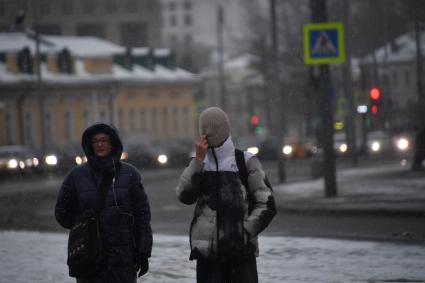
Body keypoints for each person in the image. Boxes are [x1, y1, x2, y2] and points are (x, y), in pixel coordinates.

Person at [176, 107, 276, 283]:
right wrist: (197, 162)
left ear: (223, 130)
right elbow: (184, 196)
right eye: (204, 129)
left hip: (241, 255)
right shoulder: (199, 163)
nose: (207, 133)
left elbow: (266, 204)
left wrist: (243, 232)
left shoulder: (244, 161)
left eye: (213, 128)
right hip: (208, 257)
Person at [55, 123, 152, 283]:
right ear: (89, 145)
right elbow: (62, 213)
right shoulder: (76, 176)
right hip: (89, 257)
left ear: (113, 143)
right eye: (95, 141)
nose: (99, 144)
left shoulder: (130, 174)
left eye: (104, 140)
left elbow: (142, 216)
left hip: (123, 257)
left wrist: (144, 251)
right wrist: (84, 225)